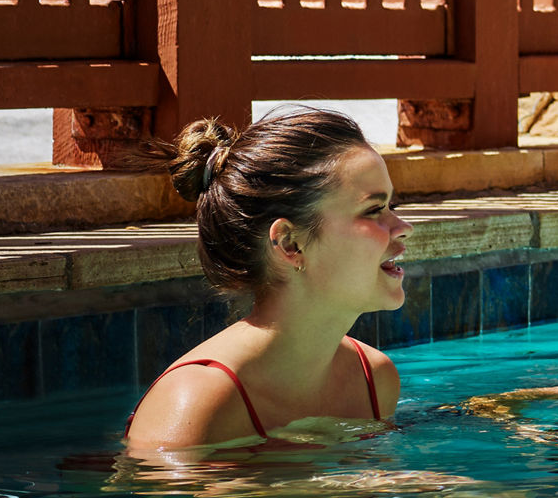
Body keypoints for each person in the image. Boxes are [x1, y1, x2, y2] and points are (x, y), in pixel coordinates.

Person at [125, 109, 410, 453]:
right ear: (290, 244)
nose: (403, 227)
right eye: (374, 210)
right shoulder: (195, 403)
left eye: (391, 205)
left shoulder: (374, 381)